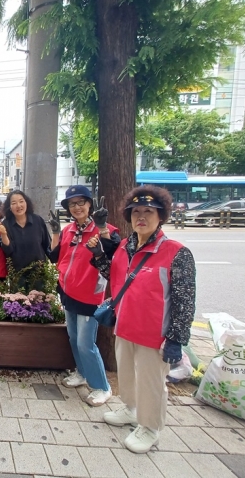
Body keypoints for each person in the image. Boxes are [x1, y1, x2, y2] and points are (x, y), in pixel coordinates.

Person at [87, 186, 196, 453]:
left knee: (151, 383)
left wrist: (176, 339)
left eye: (149, 211)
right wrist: (99, 255)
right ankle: (131, 409)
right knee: (127, 375)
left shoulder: (176, 252)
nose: (142, 217)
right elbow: (116, 278)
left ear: (162, 216)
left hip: (154, 334)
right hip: (125, 326)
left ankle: (150, 428)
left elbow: (185, 301)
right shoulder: (125, 247)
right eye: (136, 212)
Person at [51, 185, 121, 407]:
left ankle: (102, 387)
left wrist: (102, 227)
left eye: (81, 202)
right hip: (68, 291)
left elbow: (113, 253)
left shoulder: (106, 229)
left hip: (90, 295)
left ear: (90, 204)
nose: (77, 207)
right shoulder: (69, 230)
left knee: (86, 343)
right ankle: (81, 373)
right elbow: (55, 256)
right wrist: (55, 232)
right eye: (72, 204)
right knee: (73, 338)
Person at [0, 190, 54, 289]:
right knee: (19, 298)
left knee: (39, 298)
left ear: (26, 202)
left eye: (21, 201)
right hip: (17, 273)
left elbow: (47, 244)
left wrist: (54, 259)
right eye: (14, 203)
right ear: (9, 207)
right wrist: (4, 234)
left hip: (38, 273)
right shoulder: (6, 224)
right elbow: (8, 250)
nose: (18, 205)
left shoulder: (38, 220)